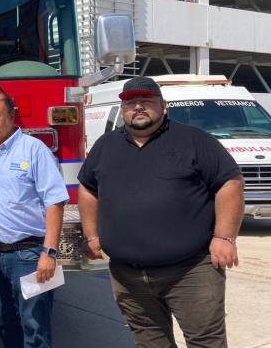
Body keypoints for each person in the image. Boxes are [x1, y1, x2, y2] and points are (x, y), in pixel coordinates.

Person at [77, 76, 244, 348]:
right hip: (128, 276)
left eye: (147, 101)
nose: (139, 106)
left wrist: (224, 237)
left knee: (206, 343)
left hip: (190, 272)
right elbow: (86, 187)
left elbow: (230, 182)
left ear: (163, 106)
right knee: (151, 343)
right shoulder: (105, 146)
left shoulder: (194, 140)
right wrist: (91, 234)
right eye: (131, 102)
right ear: (123, 109)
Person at [0, 92, 67, 347]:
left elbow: (55, 201)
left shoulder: (34, 149)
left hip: (29, 255)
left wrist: (49, 252)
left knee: (35, 326)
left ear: (12, 116)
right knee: (4, 320)